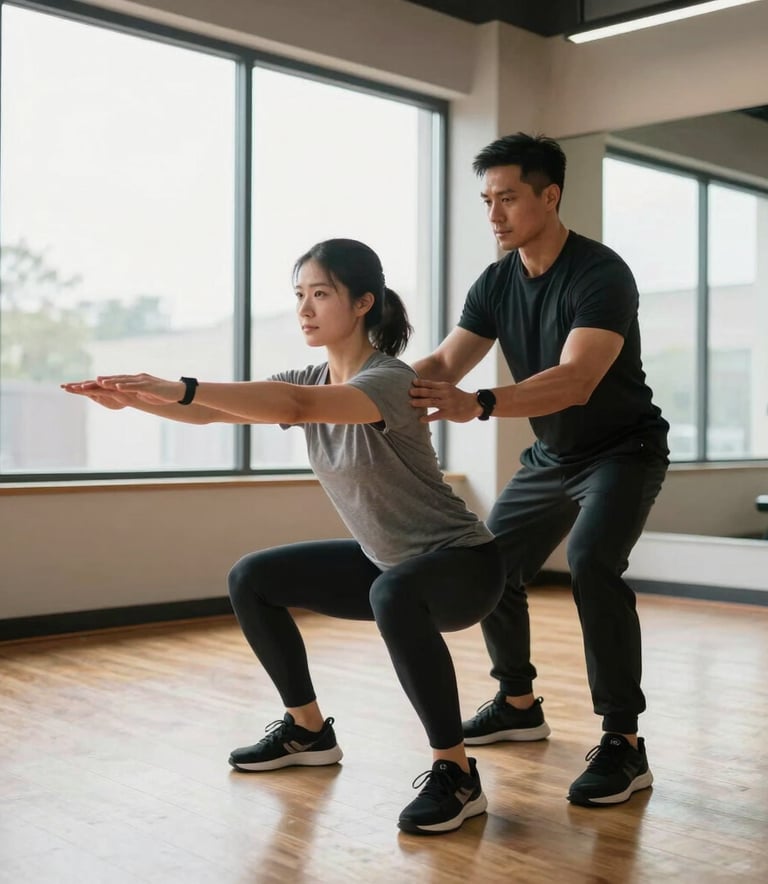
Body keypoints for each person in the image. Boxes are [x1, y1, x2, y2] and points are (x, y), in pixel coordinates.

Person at [62, 238, 506, 836]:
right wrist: (139, 399)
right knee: (255, 578)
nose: (304, 308)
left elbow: (296, 404)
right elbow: (216, 413)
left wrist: (178, 385)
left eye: (320, 294)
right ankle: (307, 730)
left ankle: (456, 774)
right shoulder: (310, 375)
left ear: (362, 303)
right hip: (388, 564)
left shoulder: (389, 380)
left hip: (463, 565)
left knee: (394, 594)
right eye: (299, 295)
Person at [409, 133, 669, 808]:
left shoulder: (599, 274)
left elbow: (578, 378)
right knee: (492, 564)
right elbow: (441, 366)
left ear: (549, 196)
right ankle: (518, 702)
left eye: (508, 198)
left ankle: (624, 743)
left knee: (590, 562)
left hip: (622, 451)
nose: (494, 215)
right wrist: (361, 391)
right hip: (553, 457)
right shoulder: (497, 281)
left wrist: (481, 405)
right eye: (486, 200)